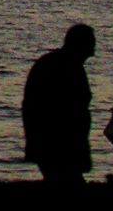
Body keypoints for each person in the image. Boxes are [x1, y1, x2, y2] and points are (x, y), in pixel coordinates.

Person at [23, 23, 96, 184]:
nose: (93, 50)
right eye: (90, 44)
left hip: (59, 142)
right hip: (59, 143)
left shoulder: (59, 64)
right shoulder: (64, 67)